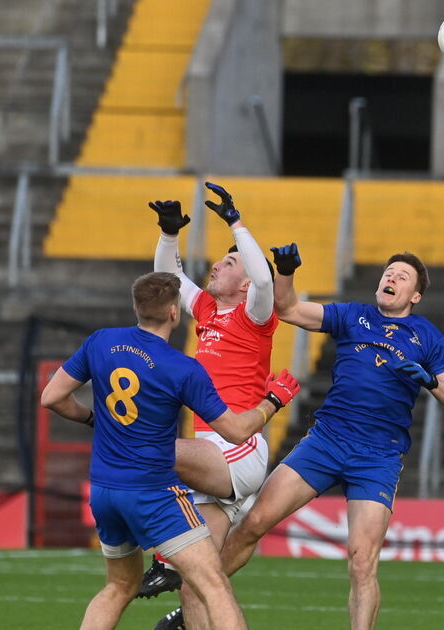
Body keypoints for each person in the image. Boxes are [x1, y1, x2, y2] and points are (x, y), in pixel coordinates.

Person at [218, 244, 444, 630]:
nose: (391, 278)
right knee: (254, 523)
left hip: (379, 457)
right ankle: (195, 602)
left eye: (402, 277)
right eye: (389, 273)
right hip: (326, 442)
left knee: (362, 559)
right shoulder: (353, 315)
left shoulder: (426, 336)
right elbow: (287, 310)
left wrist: (432, 381)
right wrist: (285, 273)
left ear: (415, 296)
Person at [40, 272, 300, 630]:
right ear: (175, 313)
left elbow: (51, 397)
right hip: (153, 493)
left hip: (104, 490)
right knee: (213, 586)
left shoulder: (101, 341)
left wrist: (92, 420)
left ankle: (163, 566)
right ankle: (166, 564)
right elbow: (237, 431)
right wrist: (272, 402)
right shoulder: (182, 367)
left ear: (136, 307)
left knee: (118, 586)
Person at [141, 184, 278, 630]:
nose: (217, 264)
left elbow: (263, 279)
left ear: (243, 284)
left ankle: (161, 555)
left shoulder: (254, 316)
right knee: (201, 581)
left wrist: (236, 223)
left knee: (148, 449)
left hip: (235, 449)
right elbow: (170, 282)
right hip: (212, 457)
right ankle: (172, 568)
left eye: (229, 262)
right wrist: (168, 236)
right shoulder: (208, 310)